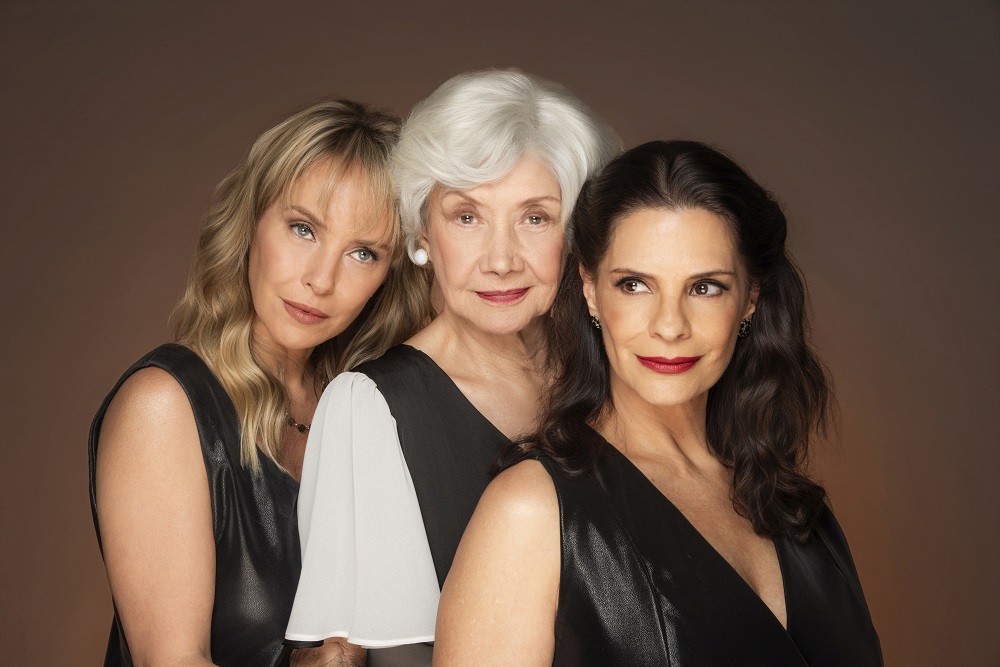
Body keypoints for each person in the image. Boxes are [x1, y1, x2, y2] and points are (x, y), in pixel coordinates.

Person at [435, 140, 884, 666]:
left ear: (751, 298)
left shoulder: (799, 509)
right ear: (590, 290)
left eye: (705, 288)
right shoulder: (531, 510)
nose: (670, 326)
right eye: (634, 285)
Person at [283, 70, 620, 664]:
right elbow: (397, 660)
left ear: (572, 236)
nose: (501, 260)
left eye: (535, 217)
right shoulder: (372, 409)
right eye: (467, 217)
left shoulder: (619, 374)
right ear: (422, 233)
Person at [88, 99, 430, 667]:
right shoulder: (164, 406)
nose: (321, 279)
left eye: (363, 253)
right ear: (251, 223)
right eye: (303, 229)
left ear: (388, 277)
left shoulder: (363, 409)